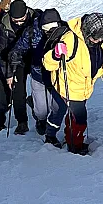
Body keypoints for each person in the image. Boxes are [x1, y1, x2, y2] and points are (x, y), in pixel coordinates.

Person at [43, 12, 103, 155]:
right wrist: (56, 54)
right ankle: (72, 145)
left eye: (102, 38)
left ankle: (71, 139)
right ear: (87, 32)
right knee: (76, 118)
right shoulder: (70, 39)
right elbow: (48, 64)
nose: (98, 41)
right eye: (95, 38)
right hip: (68, 87)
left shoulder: (100, 38)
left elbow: (92, 65)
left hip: (84, 88)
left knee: (74, 117)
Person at [8, 8, 64, 143]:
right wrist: (15, 55)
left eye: (53, 28)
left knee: (57, 107)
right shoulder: (31, 31)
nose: (49, 31)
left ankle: (51, 133)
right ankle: (39, 118)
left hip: (56, 76)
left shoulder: (65, 31)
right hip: (38, 75)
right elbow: (19, 47)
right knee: (42, 111)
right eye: (46, 28)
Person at [0, 0, 37, 134]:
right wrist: (8, 74)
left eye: (22, 20)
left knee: (42, 86)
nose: (19, 23)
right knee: (17, 90)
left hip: (35, 56)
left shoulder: (36, 19)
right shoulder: (4, 26)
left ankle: (38, 108)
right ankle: (22, 122)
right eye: (15, 20)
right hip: (15, 60)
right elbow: (2, 52)